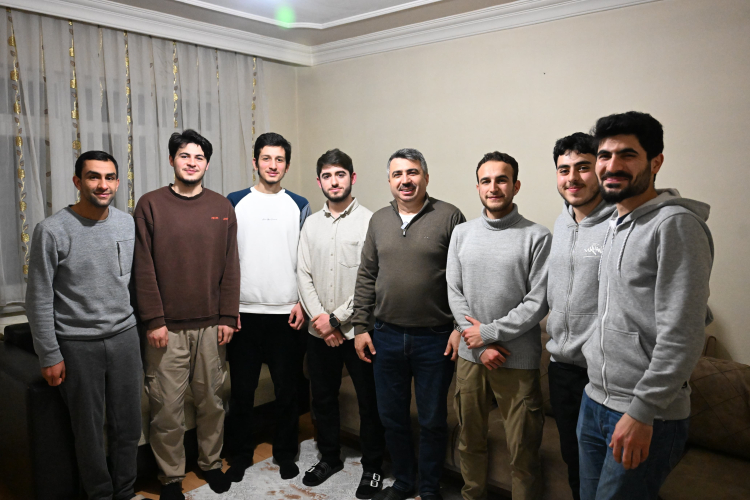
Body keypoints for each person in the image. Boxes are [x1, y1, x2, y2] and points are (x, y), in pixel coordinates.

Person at [578, 112, 713, 500]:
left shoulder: (676, 226)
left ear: (656, 162)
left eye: (628, 154)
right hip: (595, 399)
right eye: (604, 155)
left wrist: (642, 410)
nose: (612, 166)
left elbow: (683, 333)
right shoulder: (614, 223)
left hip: (644, 413)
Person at [26, 150, 143, 500]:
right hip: (77, 344)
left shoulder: (127, 223)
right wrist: (49, 354)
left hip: (125, 337)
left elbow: (133, 283)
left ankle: (125, 491)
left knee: (128, 425)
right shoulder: (51, 230)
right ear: (78, 181)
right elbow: (38, 298)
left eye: (109, 177)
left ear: (118, 183)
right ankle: (100, 495)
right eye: (93, 176)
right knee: (89, 431)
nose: (102, 184)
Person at [352, 148, 465, 500]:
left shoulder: (450, 216)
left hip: (435, 338)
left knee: (432, 420)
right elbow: (366, 275)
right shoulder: (378, 220)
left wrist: (459, 327)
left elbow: (463, 278)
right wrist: (360, 327)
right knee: (393, 417)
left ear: (426, 177)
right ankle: (403, 481)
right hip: (385, 336)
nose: (406, 180)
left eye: (412, 172)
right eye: (398, 174)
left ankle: (429, 487)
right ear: (389, 180)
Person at [133, 130, 240, 500]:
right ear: (171, 160)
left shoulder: (222, 207)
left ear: (206, 164)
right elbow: (143, 268)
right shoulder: (150, 205)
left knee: (212, 401)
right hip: (167, 330)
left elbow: (231, 265)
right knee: (166, 409)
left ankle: (210, 463)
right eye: (184, 155)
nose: (192, 162)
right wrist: (154, 320)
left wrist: (228, 316)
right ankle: (170, 479)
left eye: (199, 157)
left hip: (212, 326)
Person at [447, 151, 550, 500]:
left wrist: (489, 334)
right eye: (486, 181)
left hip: (517, 360)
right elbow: (454, 293)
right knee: (469, 441)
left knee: (523, 451)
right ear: (478, 187)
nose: (493, 187)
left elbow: (537, 302)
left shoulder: (537, 236)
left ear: (515, 186)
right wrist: (479, 345)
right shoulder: (461, 234)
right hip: (470, 357)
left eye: (501, 180)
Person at [296, 149, 386, 497]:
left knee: (369, 403)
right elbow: (303, 274)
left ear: (352, 178)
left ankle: (373, 467)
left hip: (358, 331)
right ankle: (329, 458)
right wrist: (321, 320)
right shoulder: (311, 224)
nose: (334, 182)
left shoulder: (370, 221)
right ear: (320, 181)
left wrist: (336, 319)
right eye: (327, 176)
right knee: (322, 399)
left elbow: (370, 278)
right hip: (319, 332)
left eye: (340, 174)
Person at [225, 132, 311, 481]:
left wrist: (302, 303)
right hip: (243, 314)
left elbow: (306, 260)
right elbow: (224, 259)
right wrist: (228, 309)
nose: (273, 165)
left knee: (287, 391)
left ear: (286, 165)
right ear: (255, 162)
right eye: (266, 158)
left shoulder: (300, 204)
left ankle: (285, 453)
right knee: (242, 392)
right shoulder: (234, 201)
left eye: (279, 159)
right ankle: (240, 455)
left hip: (287, 314)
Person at [546, 133, 615, 500]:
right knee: (574, 463)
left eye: (582, 167)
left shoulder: (619, 223)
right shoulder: (560, 224)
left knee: (614, 474)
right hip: (562, 368)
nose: (572, 178)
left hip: (604, 372)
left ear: (600, 170)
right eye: (564, 170)